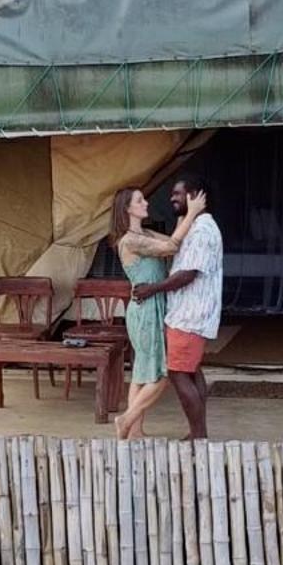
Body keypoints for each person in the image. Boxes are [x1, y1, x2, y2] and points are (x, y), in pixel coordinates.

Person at [107, 185, 207, 439]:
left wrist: (185, 214)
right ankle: (127, 420)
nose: (146, 203)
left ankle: (134, 431)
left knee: (142, 372)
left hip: (150, 307)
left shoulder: (145, 234)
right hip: (146, 311)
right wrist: (193, 212)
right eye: (140, 201)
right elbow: (172, 246)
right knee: (163, 371)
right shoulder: (130, 240)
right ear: (128, 208)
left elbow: (175, 239)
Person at [130, 175, 222, 440]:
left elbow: (187, 275)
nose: (172, 198)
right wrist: (186, 217)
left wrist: (151, 289)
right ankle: (198, 431)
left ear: (195, 196)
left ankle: (198, 434)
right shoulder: (194, 225)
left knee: (179, 373)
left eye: (178, 194)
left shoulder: (203, 230)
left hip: (189, 315)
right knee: (191, 371)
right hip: (186, 313)